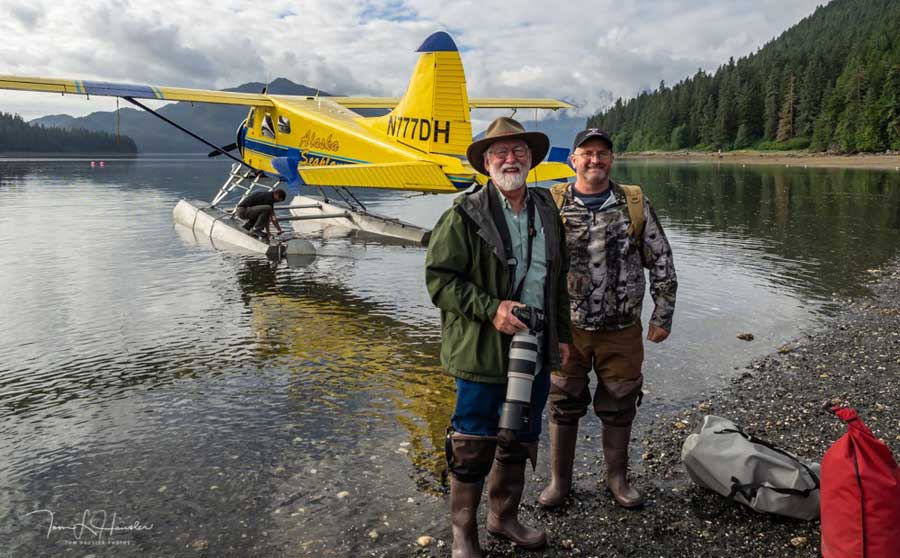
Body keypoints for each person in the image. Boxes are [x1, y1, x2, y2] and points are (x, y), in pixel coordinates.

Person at [425, 117, 572, 557]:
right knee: (472, 442)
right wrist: (491, 308)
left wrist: (562, 335)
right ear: (486, 163)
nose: (511, 159)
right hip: (480, 350)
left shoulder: (547, 209)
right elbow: (439, 282)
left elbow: (557, 280)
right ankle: (463, 534)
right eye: (501, 153)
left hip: (536, 346)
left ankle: (503, 518)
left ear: (530, 159)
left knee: (519, 436)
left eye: (519, 151)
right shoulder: (463, 215)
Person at [538, 128, 677, 510]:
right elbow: (536, 264)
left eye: (602, 153)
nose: (595, 160)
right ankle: (559, 482)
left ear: (611, 159)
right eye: (587, 153)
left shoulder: (634, 202)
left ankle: (617, 478)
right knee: (563, 400)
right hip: (568, 329)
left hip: (622, 328)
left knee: (620, 402)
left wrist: (662, 314)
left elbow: (661, 259)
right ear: (573, 160)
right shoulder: (552, 202)